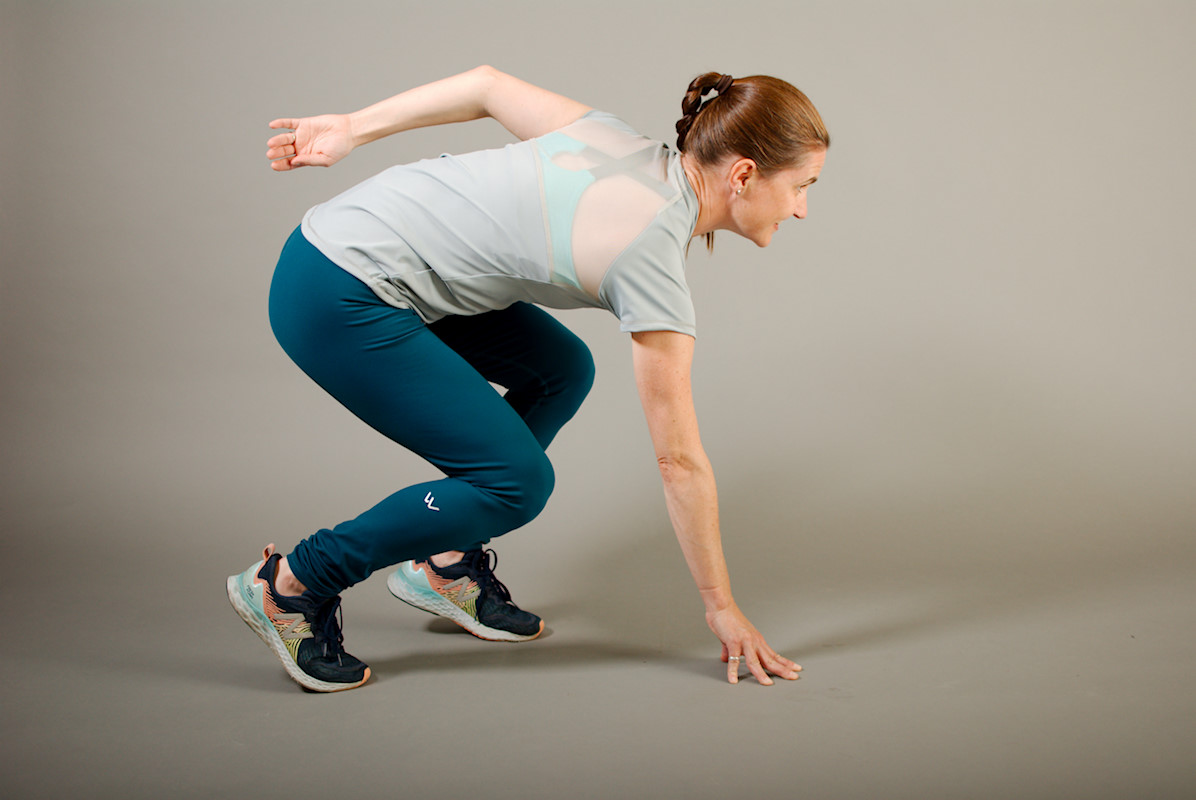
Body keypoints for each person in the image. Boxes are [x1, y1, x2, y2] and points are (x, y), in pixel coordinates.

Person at [226, 65, 829, 692]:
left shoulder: (613, 138)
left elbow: (486, 85)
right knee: (516, 484)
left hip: (371, 260)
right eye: (802, 186)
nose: (803, 209)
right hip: (334, 292)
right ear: (743, 175)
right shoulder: (649, 258)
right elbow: (679, 461)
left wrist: (354, 127)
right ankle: (291, 584)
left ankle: (445, 563)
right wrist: (720, 605)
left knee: (561, 371)